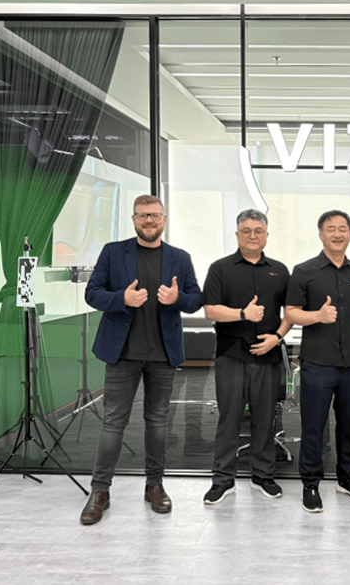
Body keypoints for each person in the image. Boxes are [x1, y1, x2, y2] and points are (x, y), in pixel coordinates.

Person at [79, 194, 202, 525]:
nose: (149, 220)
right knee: (113, 422)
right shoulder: (113, 252)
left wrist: (177, 298)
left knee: (158, 423)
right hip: (122, 354)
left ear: (164, 220)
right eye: (143, 215)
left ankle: (154, 486)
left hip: (162, 354)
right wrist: (122, 298)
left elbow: (195, 299)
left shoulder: (179, 258)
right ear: (134, 219)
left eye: (155, 215)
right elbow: (92, 293)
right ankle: (100, 491)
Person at [285, 210, 350, 513]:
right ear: (321, 234)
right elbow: (291, 313)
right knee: (314, 427)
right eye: (331, 229)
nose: (337, 234)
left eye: (343, 229)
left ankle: (347, 479)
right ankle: (310, 484)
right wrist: (318, 316)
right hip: (318, 364)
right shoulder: (304, 271)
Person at [202, 209, 291, 504]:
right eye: (246, 231)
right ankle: (222, 480)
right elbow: (210, 310)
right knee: (229, 419)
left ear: (266, 235)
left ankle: (263, 476)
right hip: (232, 355)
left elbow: (291, 312)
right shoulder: (220, 268)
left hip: (267, 356)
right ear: (237, 234)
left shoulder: (280, 271)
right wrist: (243, 314)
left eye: (258, 231)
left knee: (265, 420)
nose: (253, 236)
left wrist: (277, 337)